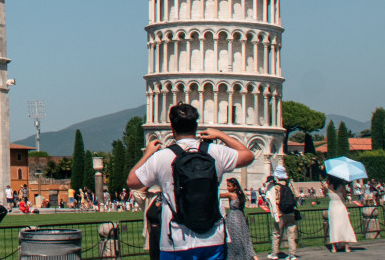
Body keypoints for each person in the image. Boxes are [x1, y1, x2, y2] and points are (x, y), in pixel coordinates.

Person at [128, 103, 254, 260]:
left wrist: (148, 154)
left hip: (176, 239)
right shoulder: (215, 152)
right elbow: (248, 155)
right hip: (213, 238)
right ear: (196, 126)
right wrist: (220, 134)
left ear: (172, 129)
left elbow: (132, 181)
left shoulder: (162, 157)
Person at [264, 165, 298, 260]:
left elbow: (268, 198)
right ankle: (292, 254)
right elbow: (297, 195)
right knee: (291, 234)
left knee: (276, 233)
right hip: (290, 212)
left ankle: (274, 253)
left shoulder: (275, 186)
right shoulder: (290, 184)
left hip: (280, 213)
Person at [220, 177, 258, 260]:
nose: (227, 188)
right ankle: (251, 255)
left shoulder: (231, 195)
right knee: (244, 238)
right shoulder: (240, 194)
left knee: (233, 239)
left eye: (229, 186)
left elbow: (219, 196)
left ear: (235, 187)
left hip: (233, 218)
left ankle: (235, 256)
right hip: (241, 217)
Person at [324, 175, 356, 253]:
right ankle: (346, 247)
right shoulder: (341, 186)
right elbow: (345, 196)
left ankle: (334, 247)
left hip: (332, 207)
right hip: (340, 206)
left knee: (334, 226)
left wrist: (325, 186)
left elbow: (325, 194)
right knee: (344, 225)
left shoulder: (328, 186)